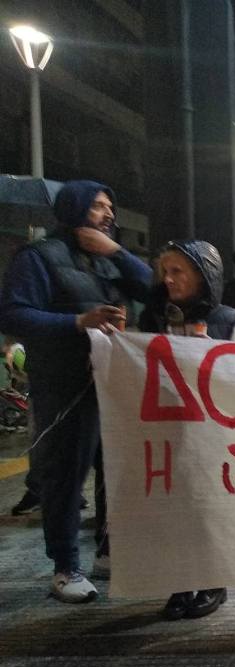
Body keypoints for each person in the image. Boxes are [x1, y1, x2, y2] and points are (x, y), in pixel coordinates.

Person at [0, 181, 152, 602]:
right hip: (65, 385)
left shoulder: (107, 260)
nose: (108, 214)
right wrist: (77, 323)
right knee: (66, 476)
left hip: (111, 382)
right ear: (75, 208)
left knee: (116, 469)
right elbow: (13, 314)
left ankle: (108, 549)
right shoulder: (38, 257)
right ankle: (65, 567)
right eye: (98, 206)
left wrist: (117, 253)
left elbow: (153, 289)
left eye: (110, 207)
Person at [140, 239, 235, 619]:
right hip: (167, 434)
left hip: (214, 436)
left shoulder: (231, 321)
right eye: (165, 272)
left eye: (178, 271)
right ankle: (178, 582)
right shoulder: (154, 319)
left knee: (209, 509)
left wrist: (215, 361)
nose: (169, 279)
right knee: (171, 508)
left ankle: (211, 581)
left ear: (204, 276)